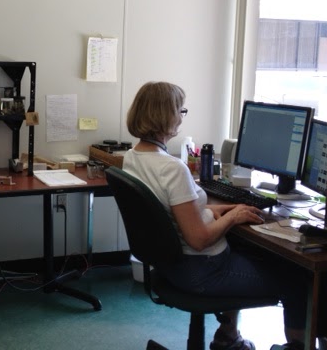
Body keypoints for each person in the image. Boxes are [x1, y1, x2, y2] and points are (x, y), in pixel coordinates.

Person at [122, 81, 308, 350]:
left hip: (169, 267)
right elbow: (198, 240)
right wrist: (233, 217)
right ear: (165, 116)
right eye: (180, 110)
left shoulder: (133, 157)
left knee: (245, 246)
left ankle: (227, 338)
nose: (181, 116)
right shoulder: (172, 168)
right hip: (201, 272)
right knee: (297, 279)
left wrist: (217, 210)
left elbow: (167, 212)